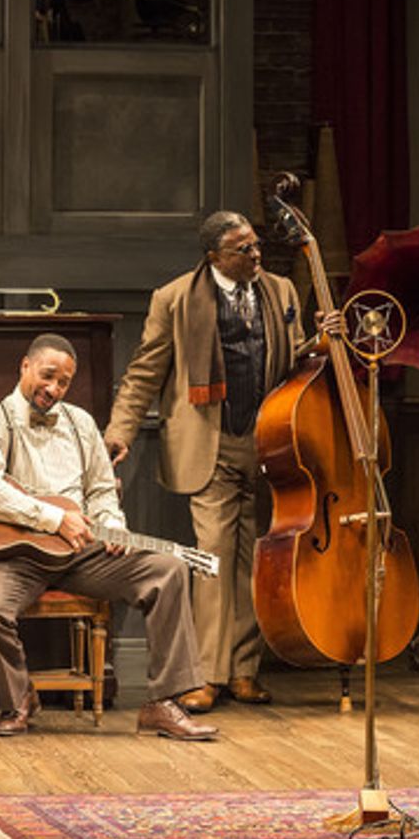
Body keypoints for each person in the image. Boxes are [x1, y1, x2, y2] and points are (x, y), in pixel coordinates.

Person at [104, 211, 316, 715]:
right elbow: (144, 372)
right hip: (209, 442)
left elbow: (294, 357)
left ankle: (243, 669)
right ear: (215, 257)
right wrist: (119, 431)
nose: (256, 255)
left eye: (257, 245)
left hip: (269, 440)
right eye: (244, 249)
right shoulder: (175, 298)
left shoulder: (281, 290)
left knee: (254, 558)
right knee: (214, 555)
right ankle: (206, 674)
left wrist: (322, 340)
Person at [0, 333, 217, 740]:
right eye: (47, 376)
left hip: (79, 552)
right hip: (16, 555)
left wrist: (112, 523)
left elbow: (100, 489)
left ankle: (163, 703)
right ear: (25, 366)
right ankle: (19, 696)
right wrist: (53, 519)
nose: (53, 389)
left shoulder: (80, 424)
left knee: (167, 570)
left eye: (63, 382)